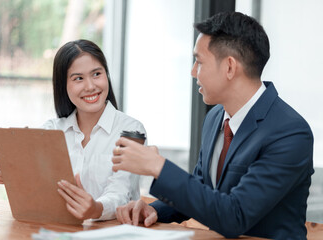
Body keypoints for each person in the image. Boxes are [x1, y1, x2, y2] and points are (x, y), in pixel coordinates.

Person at [112, 12, 314, 239]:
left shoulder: (290, 133)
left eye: (199, 61)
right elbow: (203, 187)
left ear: (229, 67)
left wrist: (158, 166)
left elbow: (235, 216)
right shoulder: (215, 117)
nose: (192, 72)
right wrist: (155, 210)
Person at [0, 39, 146, 221]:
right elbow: (30, 180)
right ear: (63, 85)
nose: (90, 86)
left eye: (96, 74)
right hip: (61, 231)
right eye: (78, 78)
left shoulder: (131, 130)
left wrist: (96, 209)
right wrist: (4, 168)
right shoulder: (51, 131)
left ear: (106, 75)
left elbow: (121, 194)